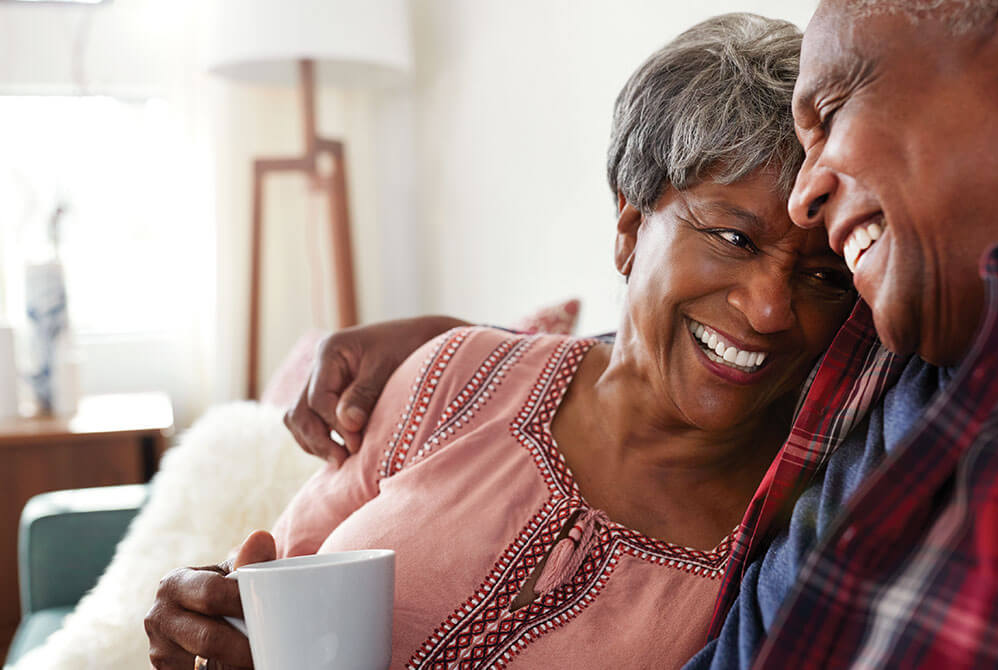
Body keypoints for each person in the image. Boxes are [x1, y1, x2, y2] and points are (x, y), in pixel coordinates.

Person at [287, 0, 998, 667]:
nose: (809, 189)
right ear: (628, 225)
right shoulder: (918, 359)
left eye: (834, 112)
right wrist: (468, 351)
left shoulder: (871, 374)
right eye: (736, 237)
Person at [145, 14, 859, 670]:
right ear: (631, 224)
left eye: (824, 274)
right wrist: (209, 625)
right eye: (733, 238)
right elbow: (274, 591)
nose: (770, 309)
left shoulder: (793, 542)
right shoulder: (454, 374)